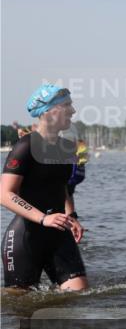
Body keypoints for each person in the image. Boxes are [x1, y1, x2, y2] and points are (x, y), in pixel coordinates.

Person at [2, 85, 87, 291]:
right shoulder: (25, 146)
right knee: (22, 309)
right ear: (49, 111)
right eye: (67, 105)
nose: (73, 111)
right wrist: (43, 217)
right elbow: (4, 194)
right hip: (27, 235)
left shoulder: (66, 148)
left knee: (79, 296)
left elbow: (63, 188)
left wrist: (71, 215)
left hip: (58, 231)